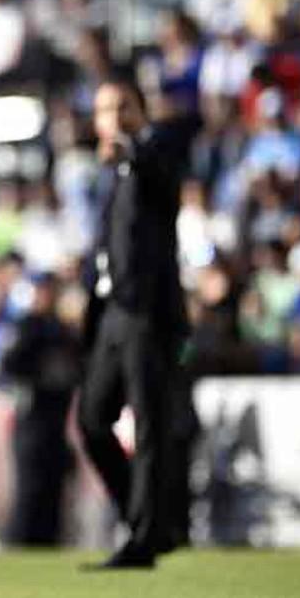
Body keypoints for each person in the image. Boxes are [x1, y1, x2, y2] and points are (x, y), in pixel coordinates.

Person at [77, 76, 196, 569]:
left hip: (147, 310)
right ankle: (148, 520)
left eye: (124, 106)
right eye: (106, 109)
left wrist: (130, 151)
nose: (115, 116)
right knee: (91, 420)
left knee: (149, 424)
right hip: (113, 312)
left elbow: (164, 177)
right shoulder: (115, 170)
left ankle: (145, 538)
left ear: (141, 111)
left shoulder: (155, 150)